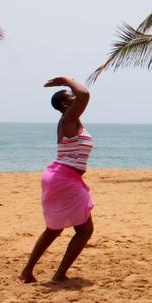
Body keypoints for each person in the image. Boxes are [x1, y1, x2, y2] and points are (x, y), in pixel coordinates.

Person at [19, 77, 95, 283]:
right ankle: (59, 274)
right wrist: (66, 80)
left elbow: (82, 97)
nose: (78, 100)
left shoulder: (72, 122)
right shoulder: (68, 121)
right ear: (65, 104)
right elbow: (85, 94)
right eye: (72, 98)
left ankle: (27, 271)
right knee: (85, 230)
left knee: (55, 228)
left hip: (62, 177)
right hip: (64, 178)